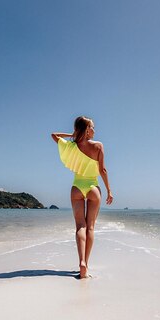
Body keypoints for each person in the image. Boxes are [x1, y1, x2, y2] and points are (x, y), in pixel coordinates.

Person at [51, 116, 113, 279]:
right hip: (93, 188)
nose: (94, 130)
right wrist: (108, 190)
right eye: (92, 127)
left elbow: (54, 135)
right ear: (86, 129)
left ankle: (81, 263)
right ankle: (86, 263)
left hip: (77, 188)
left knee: (80, 227)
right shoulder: (98, 146)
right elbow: (103, 171)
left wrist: (74, 135)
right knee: (90, 227)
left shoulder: (72, 146)